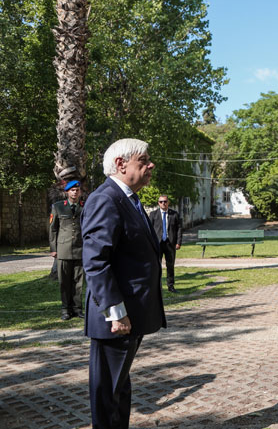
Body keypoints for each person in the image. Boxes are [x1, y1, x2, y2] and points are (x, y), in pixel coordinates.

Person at [81, 138, 166, 429]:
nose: (151, 165)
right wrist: (116, 312)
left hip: (130, 315)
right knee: (107, 393)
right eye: (144, 161)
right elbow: (95, 261)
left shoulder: (128, 198)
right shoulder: (105, 199)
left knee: (119, 389)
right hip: (116, 318)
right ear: (121, 164)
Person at [49, 180, 85, 320]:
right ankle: (65, 309)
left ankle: (77, 309)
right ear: (67, 192)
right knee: (64, 281)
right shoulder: (58, 207)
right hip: (63, 249)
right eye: (72, 190)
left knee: (78, 281)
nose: (75, 192)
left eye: (77, 190)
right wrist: (53, 248)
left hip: (80, 248)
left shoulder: (85, 207)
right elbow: (53, 229)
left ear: (80, 192)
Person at [148, 195, 182, 293]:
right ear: (158, 203)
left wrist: (178, 242)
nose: (163, 203)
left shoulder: (174, 214)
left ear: (168, 202)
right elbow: (149, 230)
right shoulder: (153, 215)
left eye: (165, 201)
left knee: (170, 266)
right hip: (157, 244)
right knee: (156, 266)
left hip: (170, 243)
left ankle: (171, 286)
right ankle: (157, 287)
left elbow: (179, 229)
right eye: (161, 201)